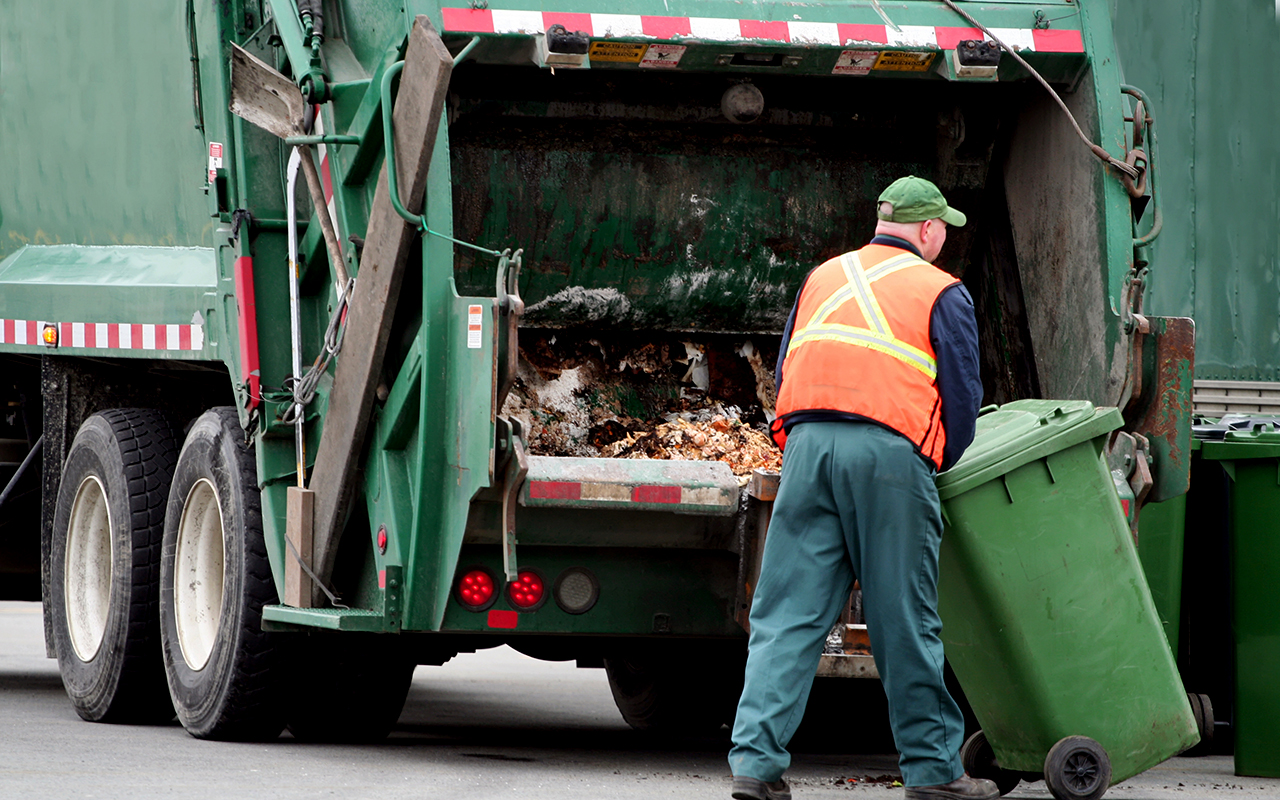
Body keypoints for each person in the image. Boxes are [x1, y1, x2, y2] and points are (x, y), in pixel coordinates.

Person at [728, 176, 991, 800]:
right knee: (904, 621)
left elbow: (789, 362)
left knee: (785, 616)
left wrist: (801, 444)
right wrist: (933, 462)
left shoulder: (824, 276)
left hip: (808, 450)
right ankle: (933, 774)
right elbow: (963, 399)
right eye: (944, 230)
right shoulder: (942, 290)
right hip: (889, 460)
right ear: (928, 231)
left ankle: (755, 768)